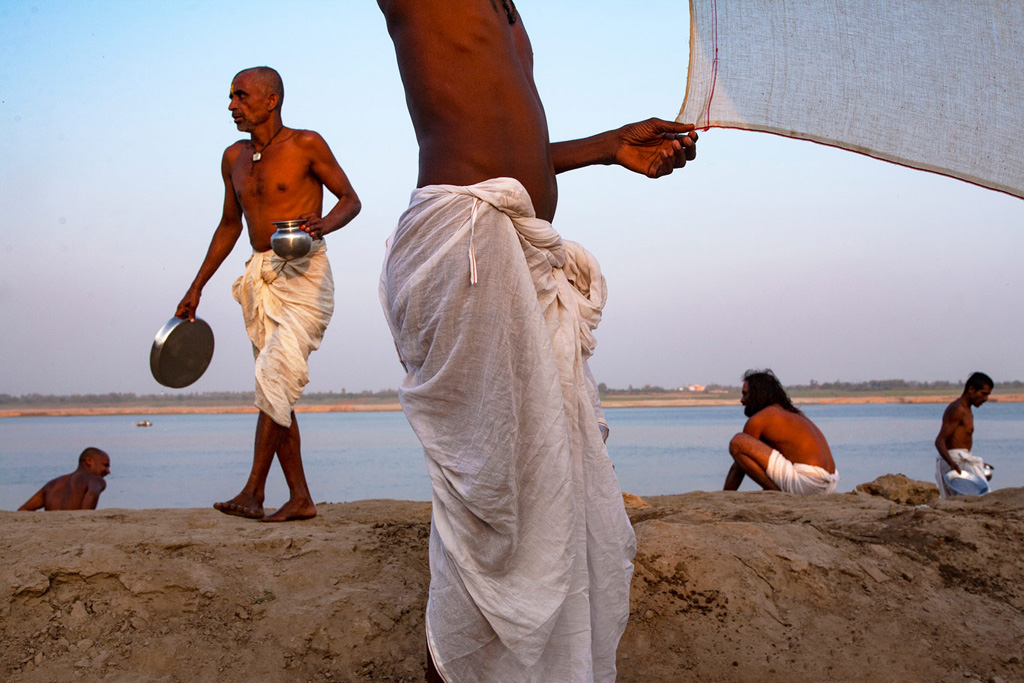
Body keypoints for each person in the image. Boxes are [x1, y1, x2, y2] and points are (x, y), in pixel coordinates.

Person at [376, 2, 698, 681]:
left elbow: (508, 139)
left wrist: (609, 145)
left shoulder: (509, 12)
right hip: (463, 241)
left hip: (522, 251)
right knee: (490, 515)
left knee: (547, 503)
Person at [176, 66, 360, 523]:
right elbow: (228, 225)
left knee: (275, 379)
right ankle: (300, 498)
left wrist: (326, 223)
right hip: (260, 276)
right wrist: (195, 287)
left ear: (270, 99)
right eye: (231, 97)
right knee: (274, 388)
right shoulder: (233, 157)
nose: (232, 105)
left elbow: (350, 199)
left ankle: (253, 492)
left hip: (304, 272)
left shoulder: (306, 144)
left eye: (241, 96)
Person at [725, 369, 840, 495]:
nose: (742, 400)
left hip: (810, 483)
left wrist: (724, 495)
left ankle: (779, 493)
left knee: (738, 442)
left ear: (757, 394)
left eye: (745, 394)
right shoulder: (794, 413)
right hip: (831, 482)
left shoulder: (761, 418)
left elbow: (738, 468)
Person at [934, 372, 994, 497]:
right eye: (983, 394)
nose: (985, 399)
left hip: (962, 459)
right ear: (971, 389)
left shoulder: (967, 410)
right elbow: (940, 441)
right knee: (972, 500)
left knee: (980, 497)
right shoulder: (958, 409)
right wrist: (952, 463)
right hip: (955, 461)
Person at [19, 448, 111, 511]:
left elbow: (24, 509)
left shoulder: (53, 484)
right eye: (105, 465)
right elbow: (92, 494)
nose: (108, 471)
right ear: (89, 461)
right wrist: (85, 519)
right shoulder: (95, 479)